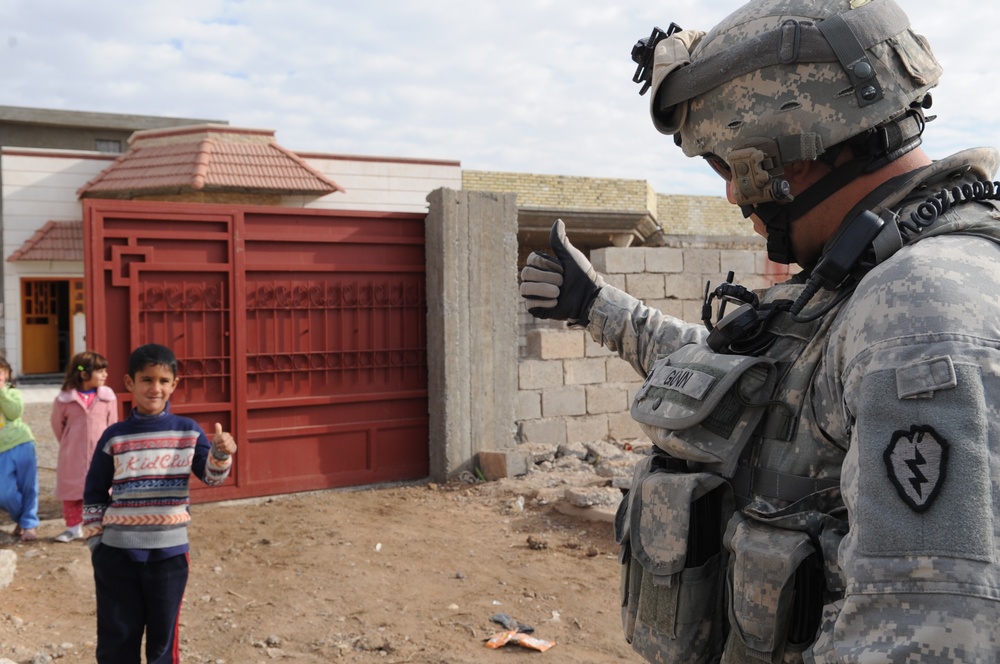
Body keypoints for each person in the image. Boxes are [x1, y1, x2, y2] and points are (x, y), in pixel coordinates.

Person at [520, 0, 1000, 662]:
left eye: (726, 164)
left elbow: (929, 641)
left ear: (789, 151)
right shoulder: (865, 275)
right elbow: (746, 382)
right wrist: (597, 304)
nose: (730, 196)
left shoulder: (919, 309)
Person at [83, 343, 237, 663]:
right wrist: (98, 543)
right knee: (117, 639)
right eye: (147, 380)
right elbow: (94, 491)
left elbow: (210, 477)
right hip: (117, 555)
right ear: (130, 383)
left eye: (163, 381)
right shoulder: (115, 436)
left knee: (162, 644)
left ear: (174, 384)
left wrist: (222, 453)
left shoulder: (188, 431)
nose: (155, 388)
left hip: (169, 556)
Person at [50, 351, 118, 543]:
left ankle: (100, 526)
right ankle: (73, 529)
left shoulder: (108, 397)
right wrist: (69, 444)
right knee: (72, 492)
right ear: (84, 373)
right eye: (100, 371)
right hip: (73, 455)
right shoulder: (64, 399)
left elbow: (112, 424)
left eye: (105, 370)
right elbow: (58, 425)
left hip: (101, 453)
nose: (105, 374)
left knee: (102, 489)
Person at [0, 355, 40, 542]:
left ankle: (29, 524)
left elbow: (14, 411)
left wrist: (1, 391)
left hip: (22, 443)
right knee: (4, 493)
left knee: (29, 487)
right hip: (1, 450)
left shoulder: (12, 393)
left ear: (7, 374)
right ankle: (22, 519)